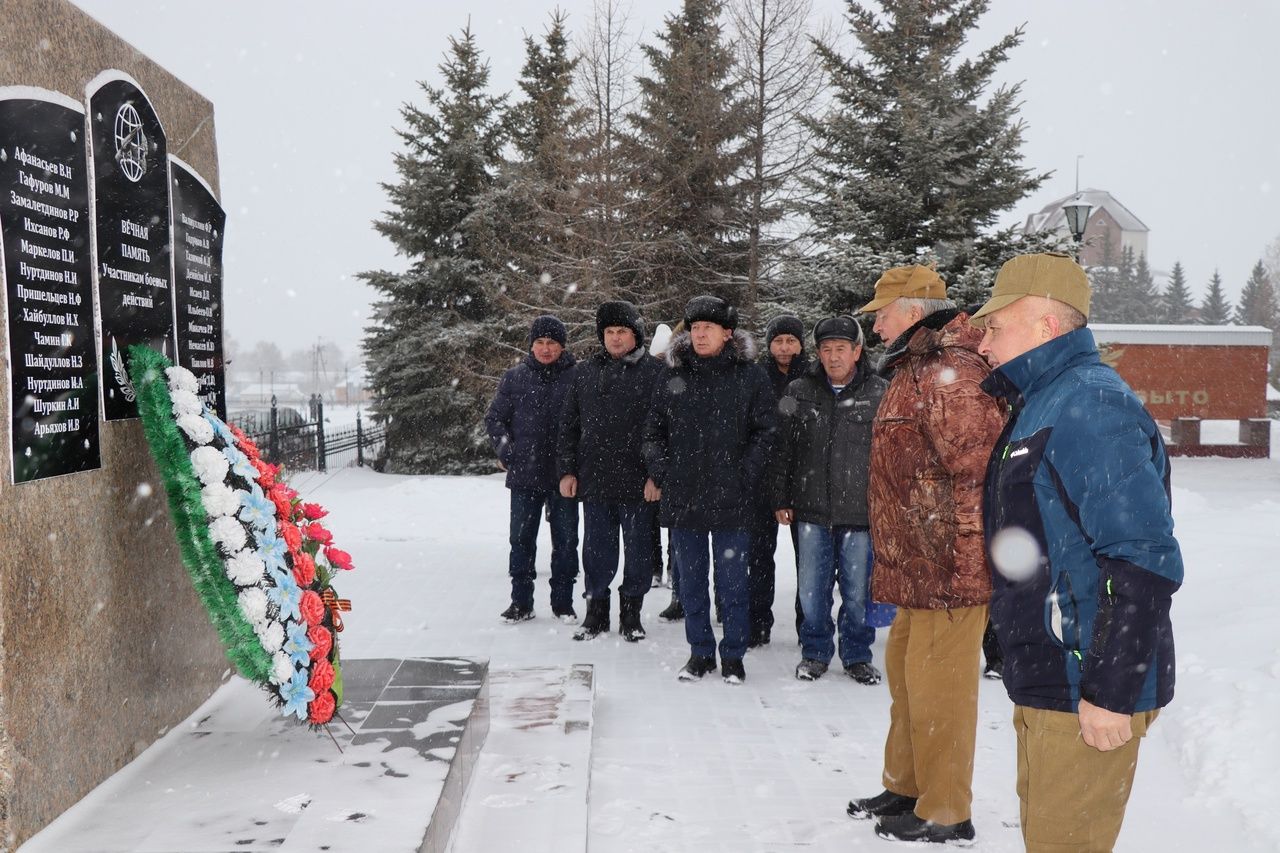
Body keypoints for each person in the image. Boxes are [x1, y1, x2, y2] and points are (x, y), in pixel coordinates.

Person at [971, 252, 1183, 853]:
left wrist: (1111, 691)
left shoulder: (1088, 404)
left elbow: (1142, 558)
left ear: (1043, 325)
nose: (983, 343)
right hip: (1051, 679)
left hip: (1084, 685)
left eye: (995, 325)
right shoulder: (1044, 400)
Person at [846, 265, 1005, 845]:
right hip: (914, 564)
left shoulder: (952, 374)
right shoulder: (913, 368)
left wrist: (959, 562)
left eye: (882, 312)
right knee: (909, 681)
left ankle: (946, 810)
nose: (876, 323)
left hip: (946, 568)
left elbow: (978, 474)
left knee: (942, 693)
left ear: (913, 312)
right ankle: (908, 787)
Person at [642, 295, 776, 684]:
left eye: (708, 329)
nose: (700, 335)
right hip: (685, 498)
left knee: (733, 583)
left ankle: (733, 655)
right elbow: (653, 431)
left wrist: (744, 472)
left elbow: (766, 431)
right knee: (692, 583)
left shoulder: (749, 376)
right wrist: (663, 471)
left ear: (727, 333)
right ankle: (700, 653)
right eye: (695, 329)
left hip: (732, 498)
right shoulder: (673, 374)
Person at [770, 316, 887, 683]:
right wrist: (781, 497)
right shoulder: (799, 391)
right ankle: (815, 652)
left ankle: (856, 655)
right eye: (826, 349)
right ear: (817, 353)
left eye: (841, 349)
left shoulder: (880, 393)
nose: (833, 357)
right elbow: (782, 451)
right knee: (811, 591)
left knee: (856, 592)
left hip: (860, 513)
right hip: (812, 511)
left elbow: (889, 456)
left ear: (857, 351)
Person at [558, 301, 664, 642]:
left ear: (636, 336)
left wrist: (656, 475)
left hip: (639, 481)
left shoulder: (655, 374)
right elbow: (569, 427)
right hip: (596, 478)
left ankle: (631, 615)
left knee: (638, 554)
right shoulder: (584, 373)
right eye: (609, 332)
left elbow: (666, 430)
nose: (615, 338)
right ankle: (596, 614)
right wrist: (567, 471)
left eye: (622, 332)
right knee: (596, 551)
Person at [484, 314, 579, 623]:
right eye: (539, 342)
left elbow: (586, 423)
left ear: (562, 347)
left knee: (566, 541)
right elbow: (495, 419)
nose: (545, 348)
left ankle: (563, 602)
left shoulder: (577, 377)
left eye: (552, 343)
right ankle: (521, 602)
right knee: (521, 540)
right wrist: (506, 451)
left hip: (564, 476)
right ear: (531, 345)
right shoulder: (515, 377)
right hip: (525, 475)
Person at [748, 315, 809, 646]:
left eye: (790, 341)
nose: (784, 348)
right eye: (778, 341)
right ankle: (758, 621)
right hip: (762, 476)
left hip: (803, 477)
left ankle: (807, 624)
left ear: (800, 344)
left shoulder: (813, 377)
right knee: (759, 555)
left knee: (808, 560)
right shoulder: (757, 377)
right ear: (769, 345)